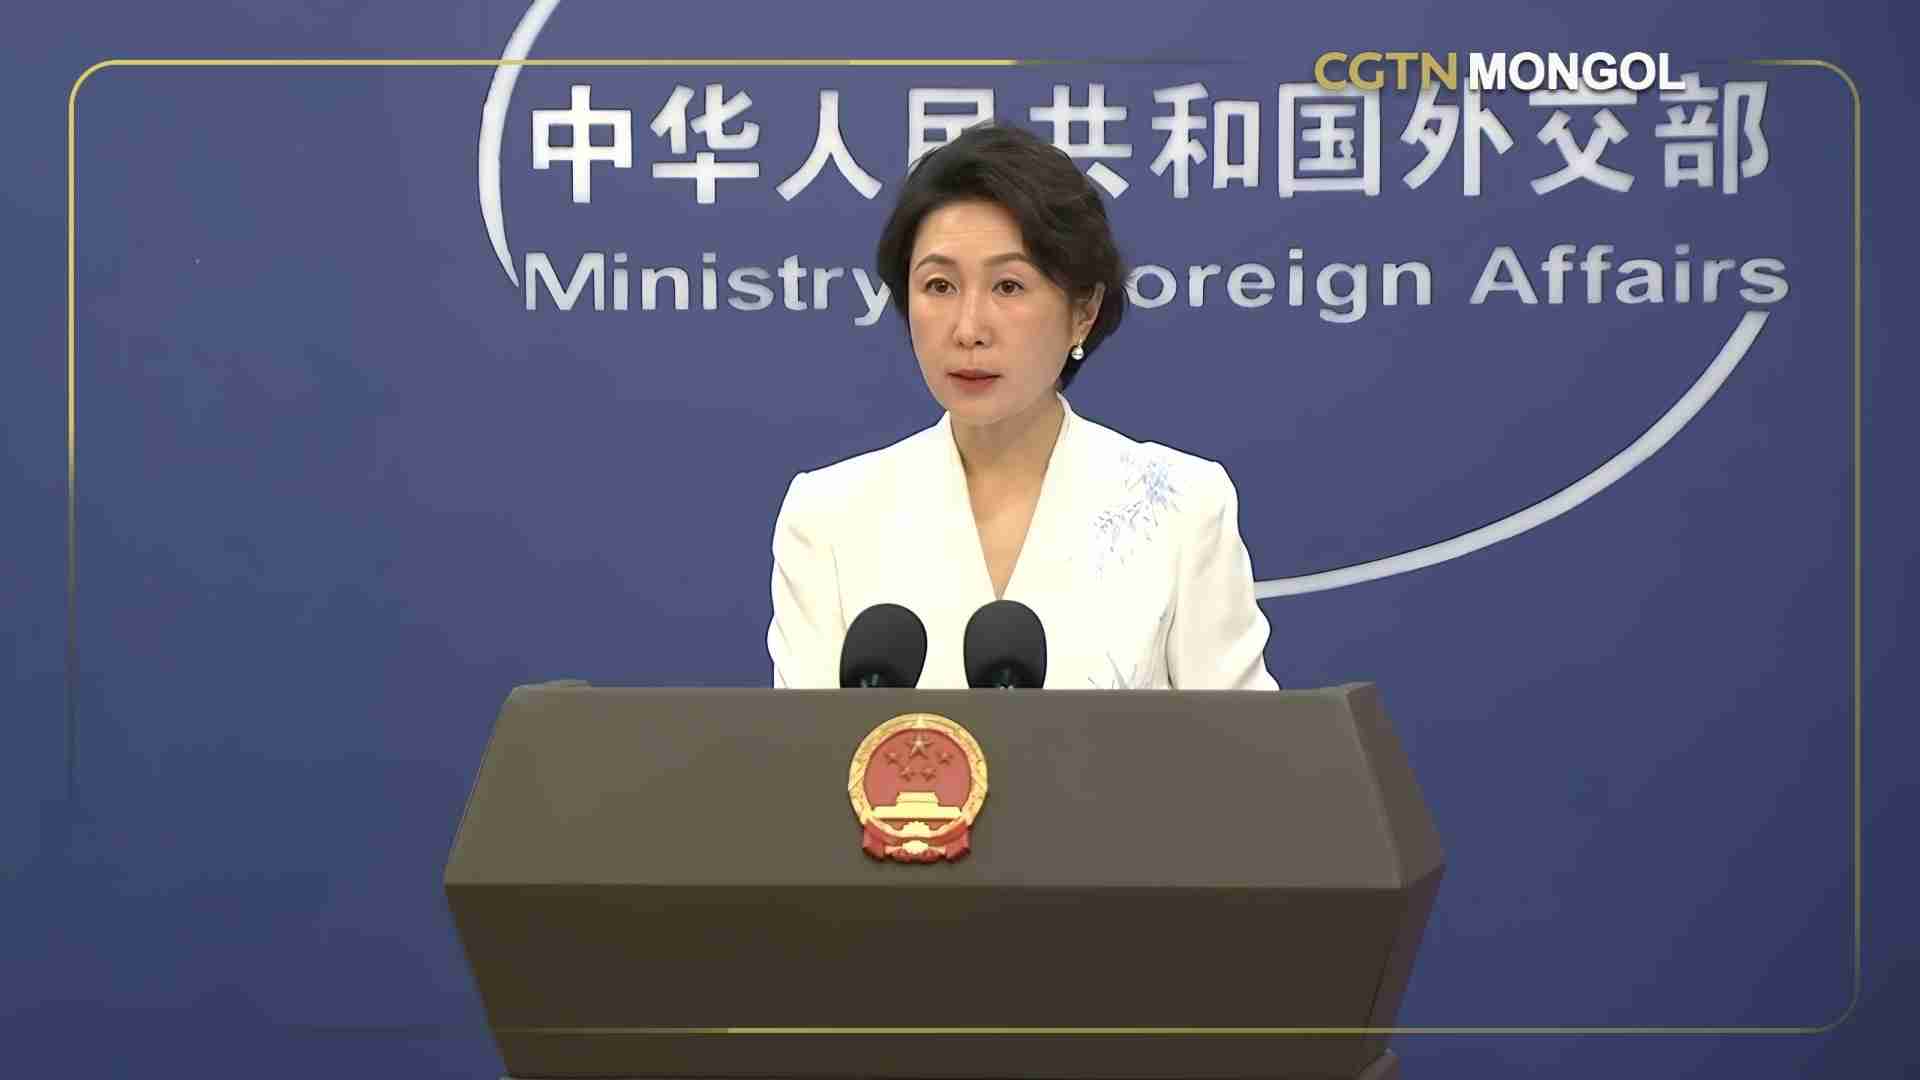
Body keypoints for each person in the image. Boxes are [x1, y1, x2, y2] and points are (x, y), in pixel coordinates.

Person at [768, 123, 1278, 690]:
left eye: (1008, 286)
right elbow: (802, 742)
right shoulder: (828, 516)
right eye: (939, 286)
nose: (968, 329)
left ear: (1083, 311)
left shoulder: (1184, 506)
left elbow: (1247, 740)